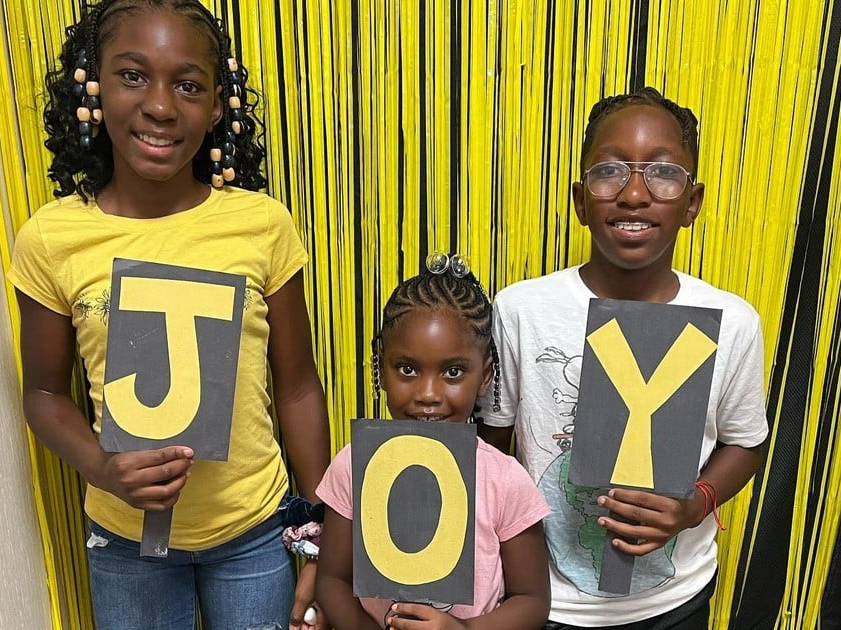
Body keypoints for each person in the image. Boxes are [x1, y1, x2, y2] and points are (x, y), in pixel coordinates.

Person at [8, 2, 330, 628]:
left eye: (187, 84)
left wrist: (317, 534)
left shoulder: (260, 224)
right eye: (133, 76)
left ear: (216, 106)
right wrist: (101, 466)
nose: (160, 106)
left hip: (254, 532)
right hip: (127, 542)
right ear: (93, 85)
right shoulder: (52, 238)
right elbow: (44, 392)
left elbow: (297, 386)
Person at [478, 87, 769, 629]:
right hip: (542, 601)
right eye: (610, 171)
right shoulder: (520, 309)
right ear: (580, 200)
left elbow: (746, 440)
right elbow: (489, 447)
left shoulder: (734, 321)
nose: (634, 194)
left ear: (693, 203)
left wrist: (694, 505)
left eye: (663, 174)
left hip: (674, 600)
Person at [314, 253, 552, 630]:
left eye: (453, 372)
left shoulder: (504, 480)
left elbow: (532, 601)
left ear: (485, 375)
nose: (427, 394)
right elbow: (331, 581)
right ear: (380, 368)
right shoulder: (353, 464)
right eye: (407, 369)